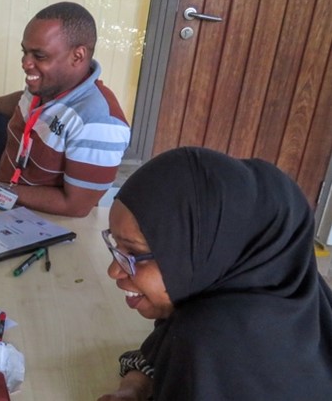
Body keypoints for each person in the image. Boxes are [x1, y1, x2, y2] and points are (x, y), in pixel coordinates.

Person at [98, 147, 332, 400]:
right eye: (115, 245)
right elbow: (164, 346)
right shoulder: (284, 293)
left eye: (133, 252)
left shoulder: (213, 341)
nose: (113, 271)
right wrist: (135, 387)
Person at [0, 2, 130, 217]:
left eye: (39, 56)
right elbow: (23, 101)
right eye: (25, 52)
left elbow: (74, 206)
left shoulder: (99, 122)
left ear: (78, 56)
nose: (25, 63)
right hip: (3, 185)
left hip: (41, 217)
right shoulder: (46, 87)